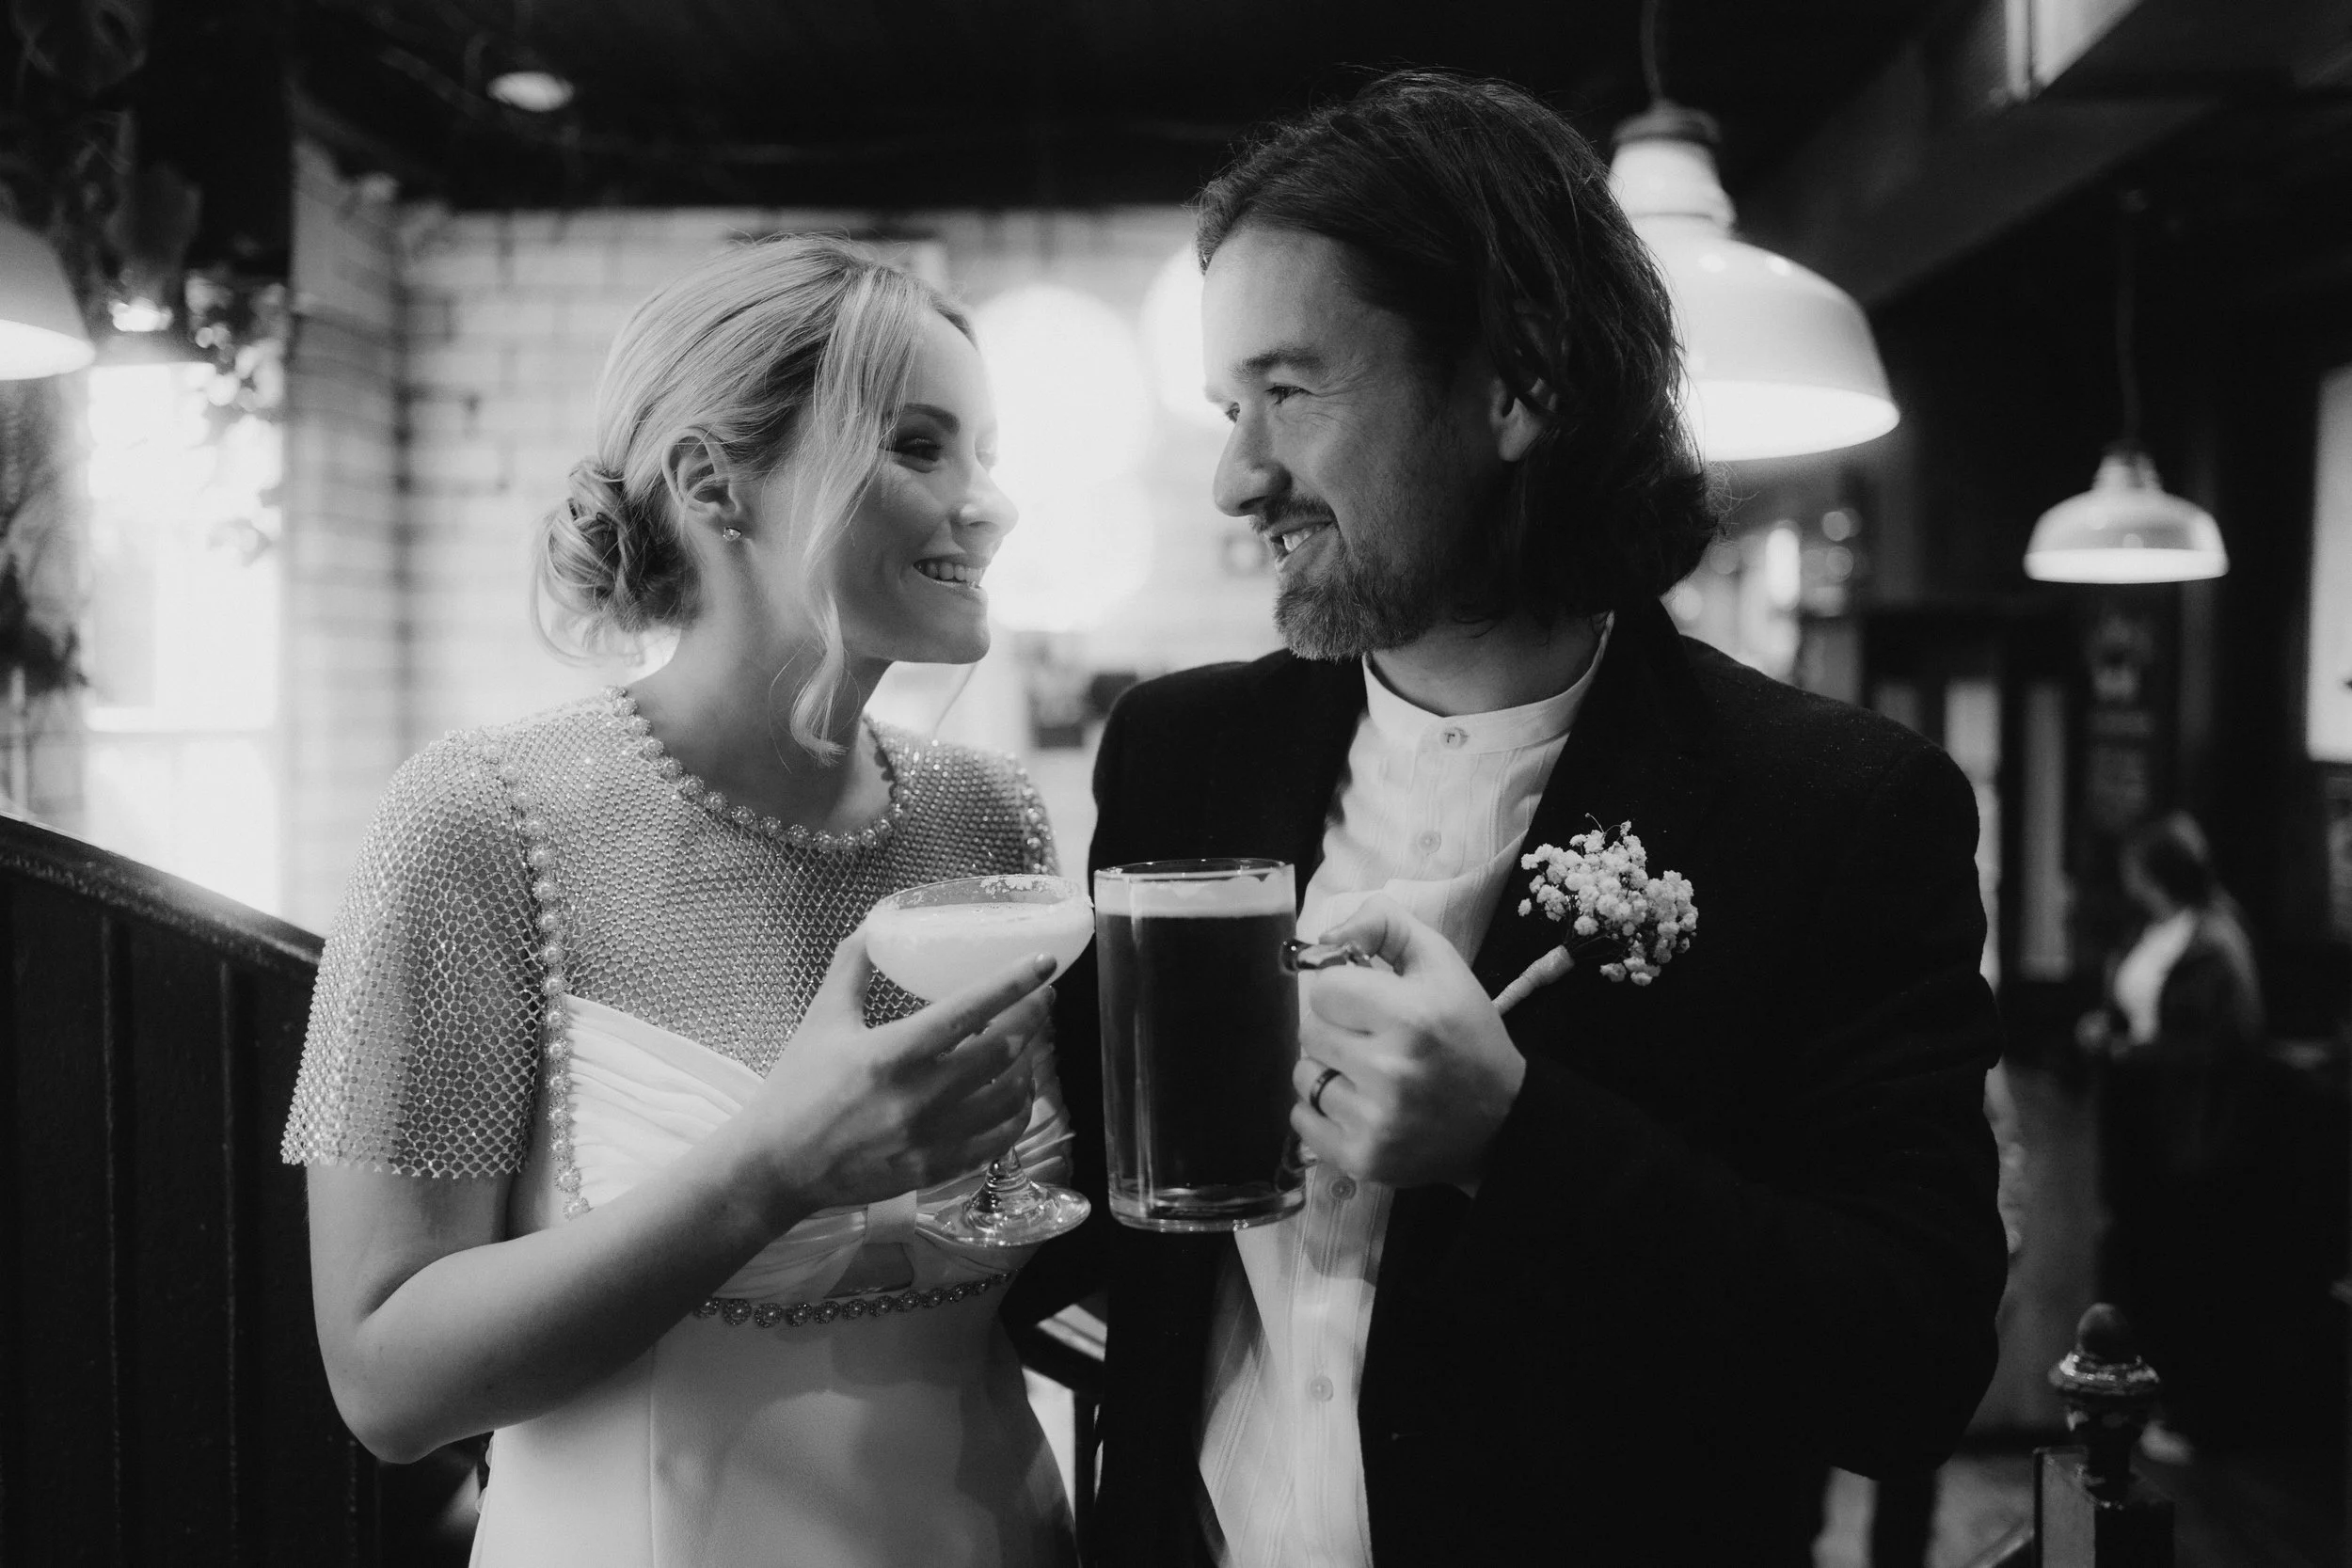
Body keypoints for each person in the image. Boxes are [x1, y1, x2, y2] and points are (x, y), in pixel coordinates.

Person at [1034, 72, 2010, 1566]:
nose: (1241, 476)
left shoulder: (1838, 808)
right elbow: (1100, 1215)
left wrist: (1515, 1138)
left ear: (1518, 384)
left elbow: (1910, 1364)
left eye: (1290, 392)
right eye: (1232, 409)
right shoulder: (1183, 754)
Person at [281, 235, 1080, 1567]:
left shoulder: (988, 820)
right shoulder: (486, 816)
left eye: (984, 455)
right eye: (922, 446)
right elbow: (385, 1380)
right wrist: (771, 1167)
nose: (988, 505)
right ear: (717, 484)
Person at [2078, 810, 2265, 1459]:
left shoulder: (2217, 939)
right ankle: (2147, 1401)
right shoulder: (2150, 930)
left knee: (2189, 1275)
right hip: (2142, 1124)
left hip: (2191, 1130)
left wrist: (2134, 1052)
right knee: (2146, 1266)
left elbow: (2228, 1041)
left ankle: (2192, 1414)